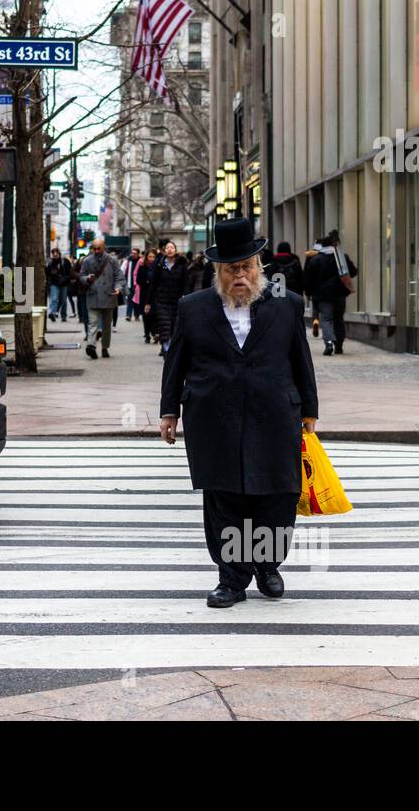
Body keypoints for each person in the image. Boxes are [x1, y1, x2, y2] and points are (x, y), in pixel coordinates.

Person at [159, 217, 319, 609]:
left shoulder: (287, 305)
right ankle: (231, 578)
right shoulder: (193, 308)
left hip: (276, 415)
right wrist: (168, 412)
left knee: (277, 495)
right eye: (232, 270)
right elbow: (175, 362)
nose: (240, 276)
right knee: (224, 497)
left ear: (258, 267)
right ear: (219, 272)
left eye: (246, 267)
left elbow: (302, 361)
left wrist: (310, 411)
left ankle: (267, 567)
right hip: (214, 418)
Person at [304, 230, 358, 356]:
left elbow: (308, 279)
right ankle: (339, 345)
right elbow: (353, 272)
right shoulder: (341, 258)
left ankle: (328, 342)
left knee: (326, 319)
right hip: (340, 294)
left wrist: (308, 292)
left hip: (323, 296)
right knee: (339, 319)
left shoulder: (315, 260)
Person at [79, 238, 123, 359]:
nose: (96, 251)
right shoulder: (87, 261)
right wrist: (87, 278)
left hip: (109, 296)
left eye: (99, 248)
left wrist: (118, 288)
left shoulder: (112, 260)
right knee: (92, 323)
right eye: (94, 248)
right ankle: (91, 346)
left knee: (106, 325)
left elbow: (119, 276)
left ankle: (105, 347)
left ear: (104, 247)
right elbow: (81, 276)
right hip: (93, 295)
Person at [146, 241, 188, 356]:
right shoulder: (160, 265)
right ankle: (166, 349)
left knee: (175, 325)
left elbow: (186, 283)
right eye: (168, 248)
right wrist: (148, 302)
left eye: (172, 248)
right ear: (164, 251)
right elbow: (153, 284)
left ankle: (173, 349)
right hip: (162, 301)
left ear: (175, 250)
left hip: (177, 301)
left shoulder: (182, 264)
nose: (170, 250)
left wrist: (185, 295)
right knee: (165, 325)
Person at [136, 249, 157, 343]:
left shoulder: (158, 268)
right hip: (144, 294)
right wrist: (147, 282)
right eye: (150, 257)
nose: (152, 259)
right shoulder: (142, 267)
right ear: (146, 258)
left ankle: (154, 333)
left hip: (154, 295)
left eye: (153, 257)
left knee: (153, 315)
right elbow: (138, 280)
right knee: (146, 315)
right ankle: (147, 335)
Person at [45, 248, 71, 322]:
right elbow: (47, 273)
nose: (55, 255)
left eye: (56, 254)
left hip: (64, 284)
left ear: (59, 254)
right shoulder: (50, 262)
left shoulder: (65, 261)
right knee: (54, 299)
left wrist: (65, 279)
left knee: (64, 301)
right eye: (53, 254)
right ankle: (52, 313)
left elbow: (69, 273)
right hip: (54, 283)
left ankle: (63, 316)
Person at [124, 249, 143, 322]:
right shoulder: (128, 261)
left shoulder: (141, 262)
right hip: (129, 284)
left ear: (138, 254)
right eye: (132, 253)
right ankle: (128, 315)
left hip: (138, 285)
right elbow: (123, 270)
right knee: (130, 300)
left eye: (134, 253)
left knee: (136, 301)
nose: (133, 254)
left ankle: (136, 315)